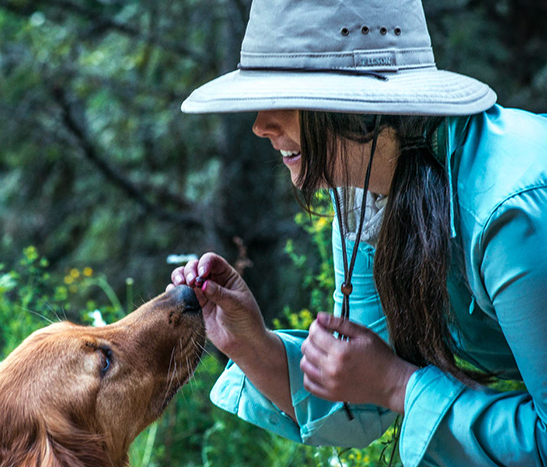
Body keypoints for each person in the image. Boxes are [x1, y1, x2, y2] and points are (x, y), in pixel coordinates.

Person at [168, 0, 547, 465]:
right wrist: (253, 345)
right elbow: (362, 400)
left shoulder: (511, 213)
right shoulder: (364, 194)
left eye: (283, 97)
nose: (260, 126)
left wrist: (398, 384)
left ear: (360, 110)